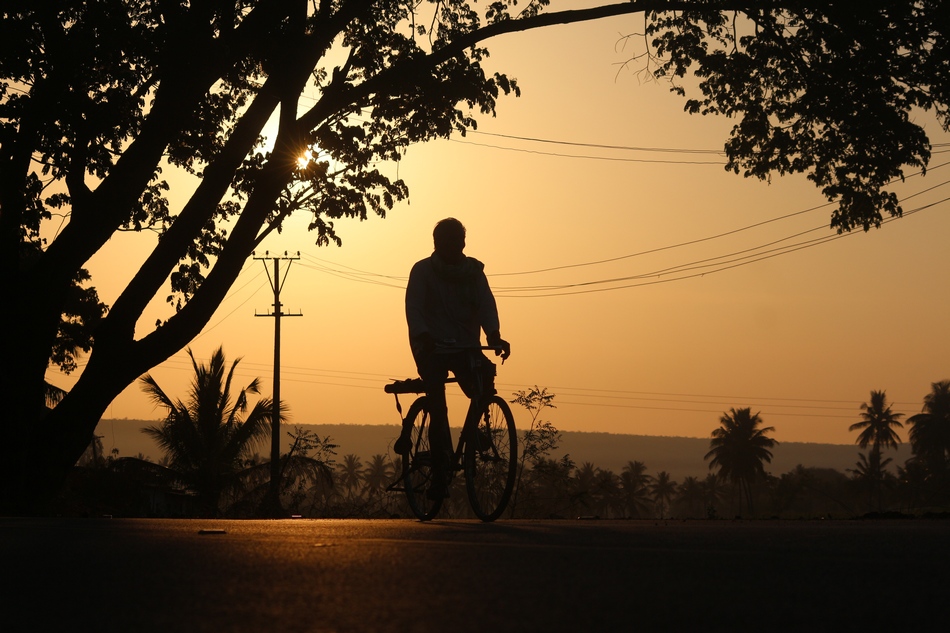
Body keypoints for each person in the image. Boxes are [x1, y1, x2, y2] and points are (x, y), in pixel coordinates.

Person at [399, 218, 510, 498]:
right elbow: (413, 307)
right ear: (437, 244)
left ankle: (472, 433)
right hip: (431, 347)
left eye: (457, 241)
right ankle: (439, 474)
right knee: (438, 407)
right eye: (447, 242)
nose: (453, 247)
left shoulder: (474, 273)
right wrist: (423, 336)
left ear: (463, 243)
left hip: (464, 346)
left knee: (484, 385)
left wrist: (494, 336)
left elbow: (486, 305)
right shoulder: (423, 271)